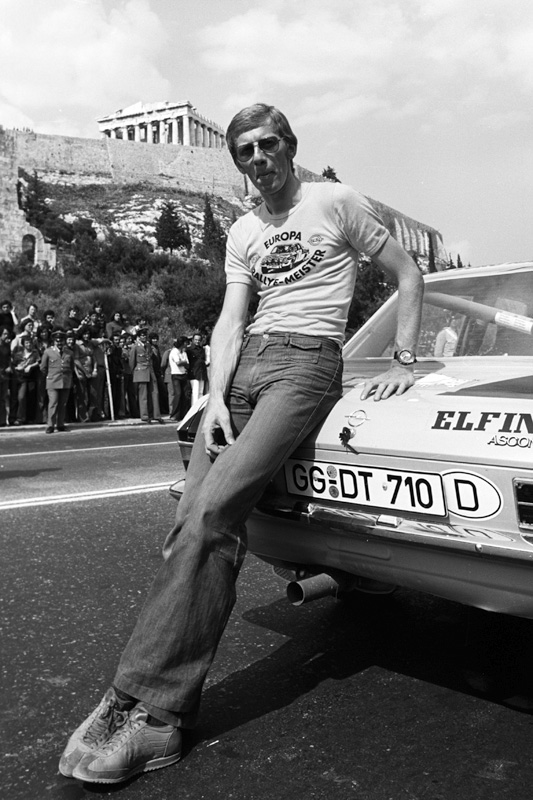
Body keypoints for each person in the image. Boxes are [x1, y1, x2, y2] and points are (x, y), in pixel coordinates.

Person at [59, 102, 423, 784]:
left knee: (209, 515)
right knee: (189, 525)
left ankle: (152, 711)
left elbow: (407, 273)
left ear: (290, 146)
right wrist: (215, 399)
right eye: (244, 151)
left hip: (306, 363)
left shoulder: (335, 201)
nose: (258, 159)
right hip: (246, 367)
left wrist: (404, 361)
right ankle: (139, 702)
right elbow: (230, 321)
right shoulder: (244, 229)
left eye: (267, 144)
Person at [40, 329, 75, 433]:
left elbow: (71, 367)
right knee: (53, 403)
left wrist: (69, 377)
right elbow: (43, 367)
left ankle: (60, 424)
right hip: (53, 381)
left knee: (63, 404)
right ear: (54, 341)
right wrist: (49, 376)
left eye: (61, 340)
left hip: (65, 381)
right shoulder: (48, 352)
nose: (59, 343)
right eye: (57, 341)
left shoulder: (69, 352)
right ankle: (50, 425)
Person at [129, 329, 163, 424]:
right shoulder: (135, 347)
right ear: (139, 337)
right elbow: (132, 361)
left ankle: (156, 415)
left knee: (154, 392)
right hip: (141, 370)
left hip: (150, 370)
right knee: (143, 395)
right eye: (142, 335)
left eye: (145, 335)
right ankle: (144, 415)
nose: (144, 337)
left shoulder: (148, 346)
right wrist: (134, 373)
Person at [12, 333, 40, 424]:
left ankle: (29, 418)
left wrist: (31, 366)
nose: (29, 344)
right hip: (21, 378)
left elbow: (39, 362)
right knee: (21, 397)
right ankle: (19, 418)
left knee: (31, 398)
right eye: (27, 343)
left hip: (32, 378)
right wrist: (18, 368)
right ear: (23, 344)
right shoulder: (18, 354)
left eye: (30, 343)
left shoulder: (35, 353)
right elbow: (13, 365)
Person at [168, 336, 189, 421]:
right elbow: (178, 363)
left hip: (183, 374)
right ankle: (174, 414)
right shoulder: (174, 352)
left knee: (185, 395)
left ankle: (183, 414)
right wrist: (184, 362)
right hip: (176, 375)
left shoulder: (183, 353)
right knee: (178, 394)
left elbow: (187, 364)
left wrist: (184, 362)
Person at [186, 331, 208, 405]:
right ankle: (194, 409)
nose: (197, 341)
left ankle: (200, 408)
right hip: (194, 374)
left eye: (199, 340)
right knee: (195, 392)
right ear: (192, 340)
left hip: (202, 373)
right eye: (196, 340)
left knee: (201, 392)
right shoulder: (189, 350)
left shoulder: (202, 349)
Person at [0, 327, 12, 426]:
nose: (6, 335)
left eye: (7, 334)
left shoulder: (7, 346)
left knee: (3, 397)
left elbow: (9, 358)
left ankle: (2, 420)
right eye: (4, 334)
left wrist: (9, 366)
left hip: (5, 375)